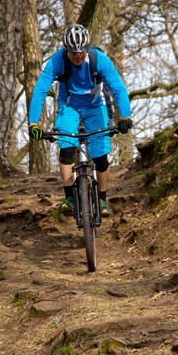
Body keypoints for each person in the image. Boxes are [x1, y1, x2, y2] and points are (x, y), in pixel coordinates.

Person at [27, 24, 133, 216]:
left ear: (87, 48)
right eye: (73, 52)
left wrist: (125, 116)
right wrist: (33, 122)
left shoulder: (99, 59)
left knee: (100, 155)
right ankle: (69, 199)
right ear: (66, 50)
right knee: (66, 148)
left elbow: (117, 87)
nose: (77, 55)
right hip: (69, 106)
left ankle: (102, 201)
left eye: (81, 51)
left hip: (95, 106)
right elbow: (40, 89)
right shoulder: (57, 61)